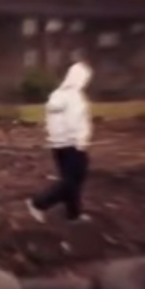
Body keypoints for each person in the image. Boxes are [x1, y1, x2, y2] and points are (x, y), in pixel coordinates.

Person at [26, 50, 93, 224]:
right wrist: (81, 141)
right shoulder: (75, 97)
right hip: (73, 145)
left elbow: (51, 120)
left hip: (58, 145)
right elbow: (74, 121)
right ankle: (38, 203)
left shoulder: (57, 95)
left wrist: (54, 137)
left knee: (72, 181)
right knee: (73, 181)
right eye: (85, 78)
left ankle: (73, 214)